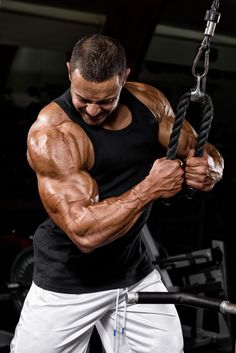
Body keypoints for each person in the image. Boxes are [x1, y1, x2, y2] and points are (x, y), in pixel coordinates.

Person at [10, 34, 224, 353]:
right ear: (70, 72)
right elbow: (84, 233)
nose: (94, 110)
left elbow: (199, 150)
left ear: (124, 77)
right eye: (84, 98)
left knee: (167, 348)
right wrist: (148, 189)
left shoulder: (149, 104)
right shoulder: (53, 133)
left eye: (106, 100)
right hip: (67, 280)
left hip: (131, 272)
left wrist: (209, 168)